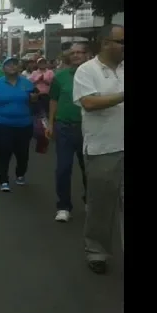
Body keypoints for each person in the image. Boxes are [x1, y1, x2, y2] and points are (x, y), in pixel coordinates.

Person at [73, 24, 124, 275]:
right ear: (105, 43)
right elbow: (89, 102)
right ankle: (96, 252)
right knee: (101, 206)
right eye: (121, 42)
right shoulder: (87, 70)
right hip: (103, 149)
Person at [46, 43, 89, 222]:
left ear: (87, 55)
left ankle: (89, 200)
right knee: (63, 168)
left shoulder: (93, 75)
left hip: (88, 128)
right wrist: (50, 124)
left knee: (88, 169)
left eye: (80, 52)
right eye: (73, 53)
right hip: (64, 127)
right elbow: (53, 100)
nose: (76, 55)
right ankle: (63, 206)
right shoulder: (60, 77)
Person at [0, 57, 37, 192]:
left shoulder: (27, 83)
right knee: (4, 151)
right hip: (2, 123)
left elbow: (34, 102)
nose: (12, 66)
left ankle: (20, 174)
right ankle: (3, 180)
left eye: (15, 64)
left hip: (24, 124)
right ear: (3, 68)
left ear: (19, 67)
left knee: (22, 153)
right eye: (9, 64)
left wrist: (34, 99)